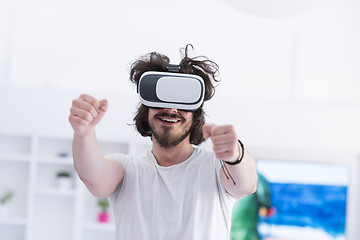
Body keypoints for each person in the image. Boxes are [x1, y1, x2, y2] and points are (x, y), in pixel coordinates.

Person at [69, 45, 258, 240]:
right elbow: (95, 179)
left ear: (195, 115)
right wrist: (84, 132)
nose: (170, 108)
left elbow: (246, 184)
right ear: (147, 110)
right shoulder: (127, 170)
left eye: (182, 101)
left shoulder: (216, 167)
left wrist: (235, 155)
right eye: (161, 99)